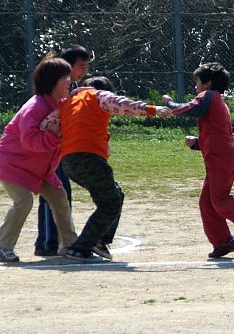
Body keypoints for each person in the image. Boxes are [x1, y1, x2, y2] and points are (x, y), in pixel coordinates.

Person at [41, 76, 171, 263]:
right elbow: (121, 104)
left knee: (116, 194)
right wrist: (152, 110)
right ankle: (81, 248)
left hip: (68, 161)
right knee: (110, 203)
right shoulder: (98, 96)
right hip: (89, 158)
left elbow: (47, 126)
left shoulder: (67, 103)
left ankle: (99, 240)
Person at [163, 62, 234, 259]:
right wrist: (198, 143)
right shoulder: (216, 100)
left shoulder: (208, 96)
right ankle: (223, 242)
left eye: (197, 81)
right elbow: (217, 134)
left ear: (207, 83)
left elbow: (193, 109)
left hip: (221, 156)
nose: (195, 86)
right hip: (221, 154)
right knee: (207, 203)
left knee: (219, 200)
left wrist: (170, 105)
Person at [0, 55, 78, 263]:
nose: (70, 82)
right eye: (65, 78)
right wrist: (54, 134)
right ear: (52, 82)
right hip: (12, 164)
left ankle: (70, 246)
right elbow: (31, 142)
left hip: (40, 169)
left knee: (60, 198)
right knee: (24, 201)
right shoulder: (35, 106)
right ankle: (2, 247)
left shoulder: (60, 105)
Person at [35, 44, 92, 257]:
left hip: (60, 151)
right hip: (50, 152)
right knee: (55, 196)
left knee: (58, 195)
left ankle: (49, 242)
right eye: (81, 66)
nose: (84, 71)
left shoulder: (69, 90)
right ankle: (49, 243)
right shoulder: (59, 91)